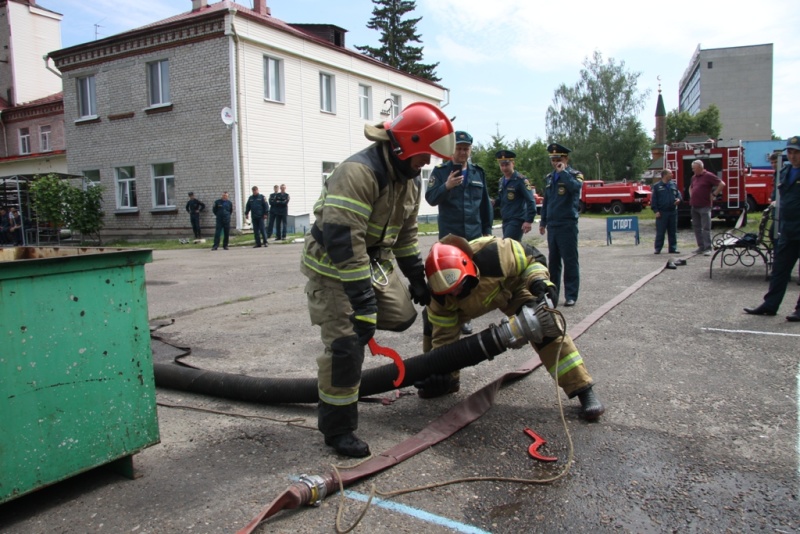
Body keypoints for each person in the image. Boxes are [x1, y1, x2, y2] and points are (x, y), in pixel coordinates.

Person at [300, 101, 455, 457]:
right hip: (334, 267)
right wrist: (363, 304)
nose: (427, 163)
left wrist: (417, 276)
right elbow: (344, 241)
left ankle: (359, 326)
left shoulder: (409, 179)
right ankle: (337, 428)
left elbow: (406, 233)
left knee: (402, 316)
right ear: (406, 145)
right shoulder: (358, 173)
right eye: (425, 155)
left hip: (370, 263)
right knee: (346, 346)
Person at [418, 235, 605, 420]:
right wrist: (441, 372)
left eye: (458, 287)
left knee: (545, 326)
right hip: (463, 310)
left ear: (467, 266)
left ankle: (583, 389)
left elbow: (532, 258)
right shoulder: (440, 297)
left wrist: (540, 282)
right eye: (450, 292)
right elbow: (444, 341)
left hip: (510, 289)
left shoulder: (495, 254)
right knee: (433, 332)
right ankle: (449, 382)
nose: (455, 293)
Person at [425, 129, 493, 335]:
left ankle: (466, 317)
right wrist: (446, 186)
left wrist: (487, 232)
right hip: (451, 237)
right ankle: (448, 314)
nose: (462, 153)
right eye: (459, 148)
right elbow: (430, 198)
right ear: (452, 150)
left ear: (470, 150)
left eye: (466, 149)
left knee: (471, 280)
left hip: (473, 234)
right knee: (452, 279)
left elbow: (485, 206)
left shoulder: (477, 173)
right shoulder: (440, 171)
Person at [744, 136, 800, 322]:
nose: (792, 156)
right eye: (790, 152)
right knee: (779, 270)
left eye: (796, 152)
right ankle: (770, 305)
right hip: (787, 229)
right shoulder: (785, 172)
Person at [539, 143, 584, 307]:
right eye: (553, 159)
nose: (555, 162)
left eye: (558, 159)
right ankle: (553, 295)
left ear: (566, 159)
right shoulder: (550, 178)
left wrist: (563, 172)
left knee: (570, 260)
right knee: (554, 262)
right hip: (553, 224)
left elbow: (575, 188)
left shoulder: (574, 175)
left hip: (567, 224)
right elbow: (547, 202)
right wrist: (543, 221)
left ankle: (571, 295)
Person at [495, 149, 536, 241]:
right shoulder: (501, 181)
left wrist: (529, 220)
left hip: (517, 219)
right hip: (506, 219)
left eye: (507, 165)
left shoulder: (521, 180)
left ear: (513, 163)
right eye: (502, 165)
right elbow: (502, 199)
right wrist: (493, 202)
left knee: (507, 245)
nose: (504, 168)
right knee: (511, 249)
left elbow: (530, 200)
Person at [688, 160, 725, 256]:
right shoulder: (694, 177)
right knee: (696, 227)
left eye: (694, 168)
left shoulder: (708, 175)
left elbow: (722, 184)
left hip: (704, 205)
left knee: (706, 228)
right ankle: (701, 247)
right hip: (694, 205)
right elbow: (690, 187)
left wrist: (714, 194)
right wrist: (691, 195)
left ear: (700, 167)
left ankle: (708, 248)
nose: (693, 170)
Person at [651, 169, 682, 254]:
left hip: (672, 211)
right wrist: (656, 210)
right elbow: (654, 200)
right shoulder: (657, 186)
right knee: (660, 232)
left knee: (672, 231)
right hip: (662, 212)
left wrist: (679, 199)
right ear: (664, 175)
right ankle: (658, 248)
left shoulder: (673, 185)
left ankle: (673, 248)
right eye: (670, 173)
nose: (672, 175)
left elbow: (678, 194)